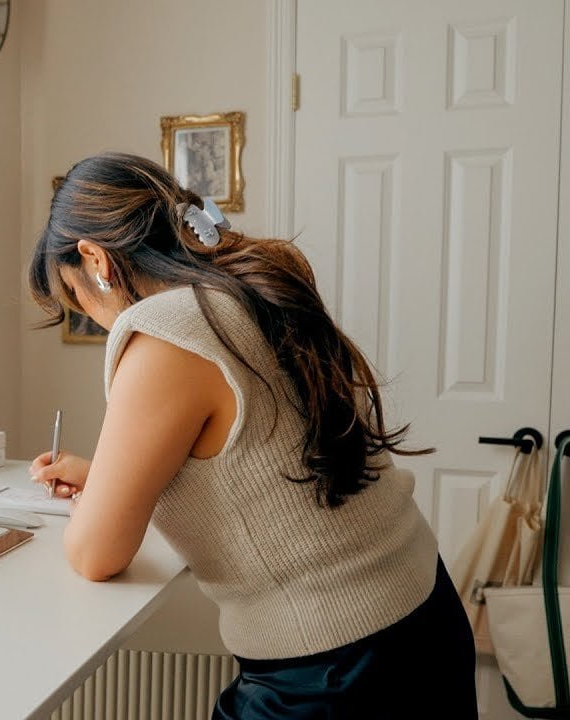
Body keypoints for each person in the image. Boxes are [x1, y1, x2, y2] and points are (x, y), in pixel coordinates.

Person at [27, 152, 477, 719]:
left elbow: (95, 554)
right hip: (420, 612)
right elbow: (256, 463)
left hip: (333, 666)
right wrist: (104, 478)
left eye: (80, 300)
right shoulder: (241, 293)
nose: (96, 318)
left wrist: (90, 514)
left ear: (95, 259)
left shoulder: (164, 334)